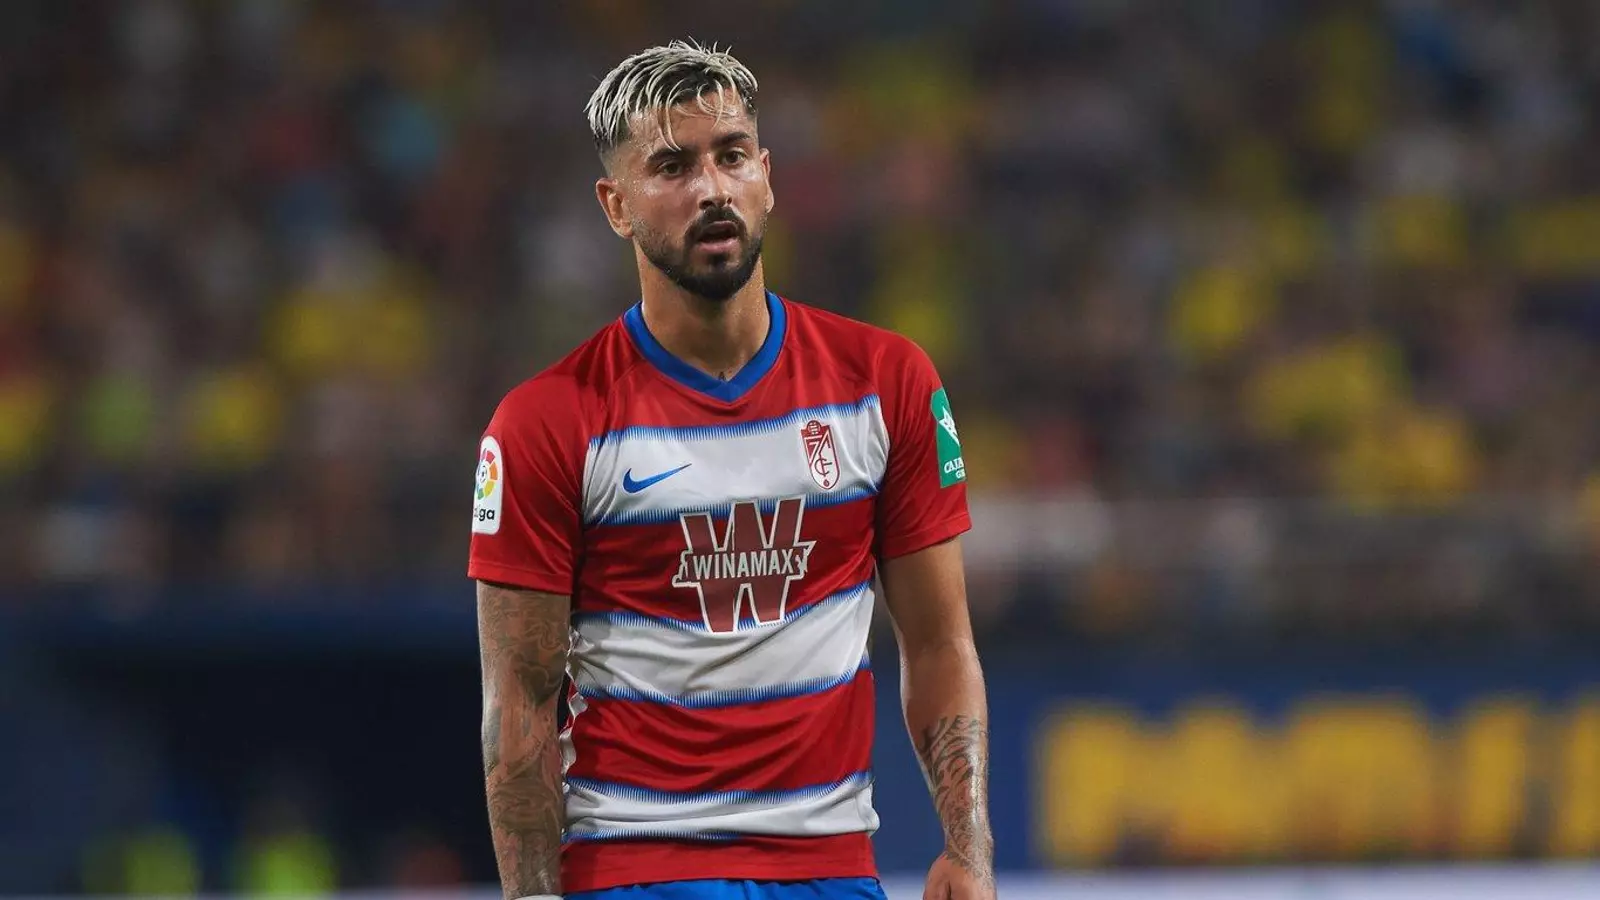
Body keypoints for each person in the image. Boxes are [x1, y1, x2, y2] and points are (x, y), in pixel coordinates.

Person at [467, 40, 993, 900]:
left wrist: (967, 849)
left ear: (768, 177)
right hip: (635, 873)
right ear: (615, 205)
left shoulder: (886, 383)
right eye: (672, 166)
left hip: (832, 873)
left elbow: (940, 643)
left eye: (732, 156)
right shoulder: (547, 424)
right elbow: (519, 704)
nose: (711, 188)